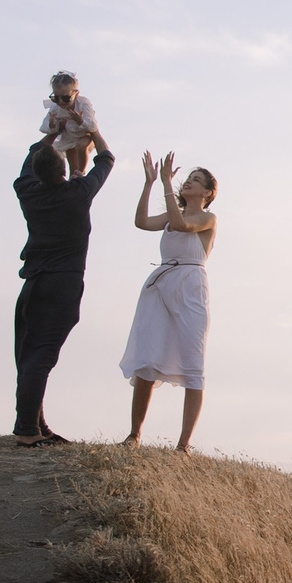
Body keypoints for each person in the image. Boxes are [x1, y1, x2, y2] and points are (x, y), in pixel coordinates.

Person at [12, 132, 115, 446]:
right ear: (63, 171)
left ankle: (35, 424)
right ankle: (27, 430)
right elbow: (106, 161)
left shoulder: (27, 192)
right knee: (41, 356)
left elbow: (29, 165)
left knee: (29, 355)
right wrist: (94, 131)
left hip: (32, 284)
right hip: (63, 285)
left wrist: (51, 133)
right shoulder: (77, 192)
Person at [118, 152, 217, 452]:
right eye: (187, 179)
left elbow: (182, 225)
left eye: (196, 181)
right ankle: (134, 435)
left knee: (192, 364)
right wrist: (150, 183)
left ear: (208, 193)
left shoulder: (207, 218)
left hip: (190, 288)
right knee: (147, 360)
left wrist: (166, 186)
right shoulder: (175, 212)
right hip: (160, 286)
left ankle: (183, 445)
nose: (188, 183)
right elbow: (141, 222)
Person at [41, 70, 107, 180]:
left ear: (76, 94)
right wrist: (53, 125)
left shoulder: (83, 103)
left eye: (66, 98)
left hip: (85, 135)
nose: (61, 102)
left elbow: (93, 127)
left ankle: (81, 172)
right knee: (70, 162)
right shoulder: (55, 107)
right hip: (68, 137)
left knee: (81, 145)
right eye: (56, 98)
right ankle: (73, 178)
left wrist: (80, 121)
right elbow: (46, 128)